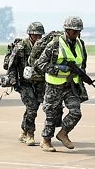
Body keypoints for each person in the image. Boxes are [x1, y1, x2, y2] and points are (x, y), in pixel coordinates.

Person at [34, 16, 89, 152]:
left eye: (79, 31)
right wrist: (57, 70)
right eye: (74, 31)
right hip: (54, 85)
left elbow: (82, 62)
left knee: (76, 112)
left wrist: (81, 75)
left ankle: (63, 133)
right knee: (52, 114)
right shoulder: (55, 44)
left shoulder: (80, 44)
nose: (77, 34)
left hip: (71, 85)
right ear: (67, 30)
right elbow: (40, 63)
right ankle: (46, 140)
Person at [12, 22, 46, 146]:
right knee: (31, 107)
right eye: (35, 35)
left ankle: (23, 130)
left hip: (39, 81)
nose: (38, 38)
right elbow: (10, 65)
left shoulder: (43, 47)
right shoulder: (21, 47)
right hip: (24, 83)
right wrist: (13, 80)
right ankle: (30, 134)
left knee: (34, 107)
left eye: (40, 35)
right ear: (30, 34)